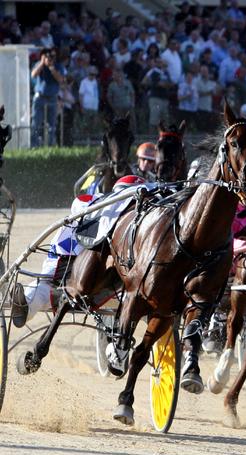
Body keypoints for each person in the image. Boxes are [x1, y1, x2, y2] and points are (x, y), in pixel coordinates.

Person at [10, 175, 147, 327]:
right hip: (72, 268)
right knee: (43, 288)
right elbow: (78, 204)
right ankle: (25, 307)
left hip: (109, 285)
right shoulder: (97, 203)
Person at [31, 47, 65, 146]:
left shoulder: (58, 66)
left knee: (52, 125)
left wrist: (52, 68)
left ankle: (50, 146)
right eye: (48, 56)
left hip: (52, 98)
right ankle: (34, 146)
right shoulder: (39, 64)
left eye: (52, 56)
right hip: (40, 97)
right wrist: (42, 63)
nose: (50, 58)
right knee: (35, 124)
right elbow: (33, 74)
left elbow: (60, 80)